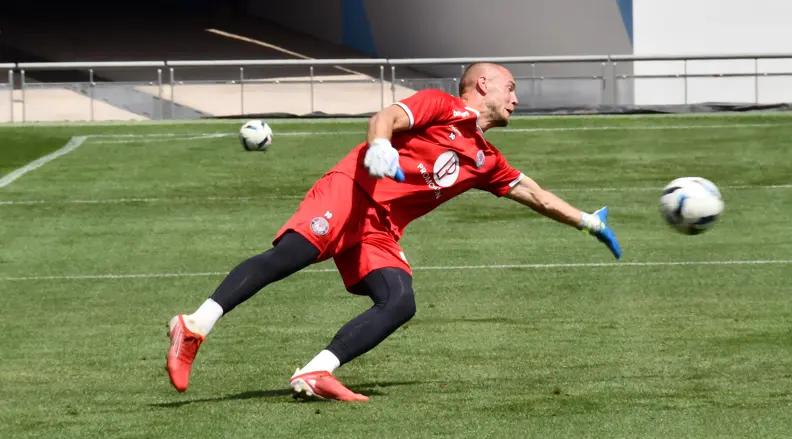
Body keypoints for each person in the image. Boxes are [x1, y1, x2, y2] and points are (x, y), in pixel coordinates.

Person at [166, 62, 621, 402]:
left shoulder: (486, 159)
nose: (516, 99)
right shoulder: (441, 105)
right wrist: (381, 146)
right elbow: (384, 118)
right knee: (292, 255)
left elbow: (538, 196)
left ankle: (315, 372)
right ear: (483, 85)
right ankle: (194, 326)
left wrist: (588, 221)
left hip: (380, 229)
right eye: (511, 88)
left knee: (400, 301)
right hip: (353, 189)